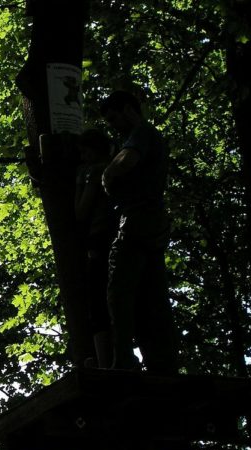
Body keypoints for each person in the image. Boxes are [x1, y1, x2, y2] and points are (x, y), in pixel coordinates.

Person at [100, 90, 178, 374]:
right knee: (153, 295)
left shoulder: (141, 134)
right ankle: (163, 362)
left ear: (128, 110)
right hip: (153, 223)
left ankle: (123, 360)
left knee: (119, 292)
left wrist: (108, 173)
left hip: (137, 221)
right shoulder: (148, 136)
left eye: (113, 118)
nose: (113, 126)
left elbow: (128, 160)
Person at [75, 128, 117, 368]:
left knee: (98, 301)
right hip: (116, 236)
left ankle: (104, 363)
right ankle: (117, 358)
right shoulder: (114, 168)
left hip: (99, 238)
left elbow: (80, 211)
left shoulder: (94, 172)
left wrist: (79, 182)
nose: (82, 156)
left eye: (84, 151)